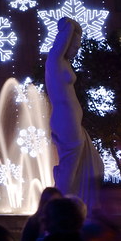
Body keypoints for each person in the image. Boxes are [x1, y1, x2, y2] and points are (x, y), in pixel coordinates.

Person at [46, 18, 103, 213]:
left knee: (79, 163)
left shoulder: (64, 63)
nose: (76, 49)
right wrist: (70, 25)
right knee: (71, 164)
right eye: (74, 45)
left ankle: (65, 201)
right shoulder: (54, 60)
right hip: (65, 119)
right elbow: (67, 27)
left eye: (78, 46)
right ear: (65, 41)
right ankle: (60, 207)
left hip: (70, 120)